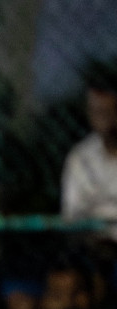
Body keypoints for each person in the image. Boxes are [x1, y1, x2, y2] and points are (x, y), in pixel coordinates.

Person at [61, 70, 117, 235]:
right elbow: (72, 213)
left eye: (106, 112)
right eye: (94, 111)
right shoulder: (81, 157)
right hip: (93, 247)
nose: (100, 119)